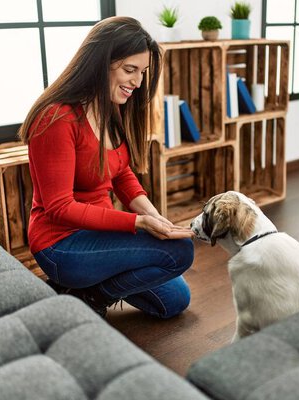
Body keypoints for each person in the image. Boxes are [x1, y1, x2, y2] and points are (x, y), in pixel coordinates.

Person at [18, 16, 194, 319]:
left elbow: (121, 171)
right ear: (101, 62)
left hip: (101, 236)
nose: (137, 83)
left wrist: (155, 217)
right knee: (180, 254)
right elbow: (59, 208)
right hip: (62, 244)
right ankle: (90, 294)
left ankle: (79, 291)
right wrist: (137, 223)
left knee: (175, 300)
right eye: (130, 70)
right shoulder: (56, 118)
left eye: (142, 72)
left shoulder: (112, 108)